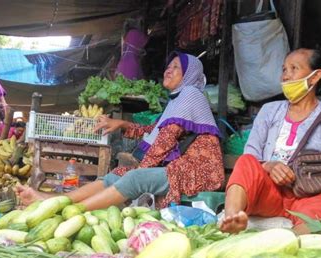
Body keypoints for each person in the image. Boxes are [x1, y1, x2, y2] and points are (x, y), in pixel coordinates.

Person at [16, 52, 225, 210]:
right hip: (179, 167)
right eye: (168, 66)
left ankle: (68, 211)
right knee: (118, 174)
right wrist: (122, 125)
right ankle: (52, 201)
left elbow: (166, 138)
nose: (168, 70)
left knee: (133, 178)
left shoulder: (190, 93)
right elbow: (155, 131)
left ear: (190, 75)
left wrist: (140, 168)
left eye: (176, 67)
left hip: (198, 172)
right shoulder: (178, 99)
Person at [220, 48, 321, 235]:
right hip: (271, 193)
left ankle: (291, 243)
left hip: (311, 195)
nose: (286, 76)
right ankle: (232, 219)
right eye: (284, 70)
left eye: (294, 68)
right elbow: (251, 154)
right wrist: (269, 165)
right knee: (245, 162)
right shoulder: (269, 111)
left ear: (315, 76)